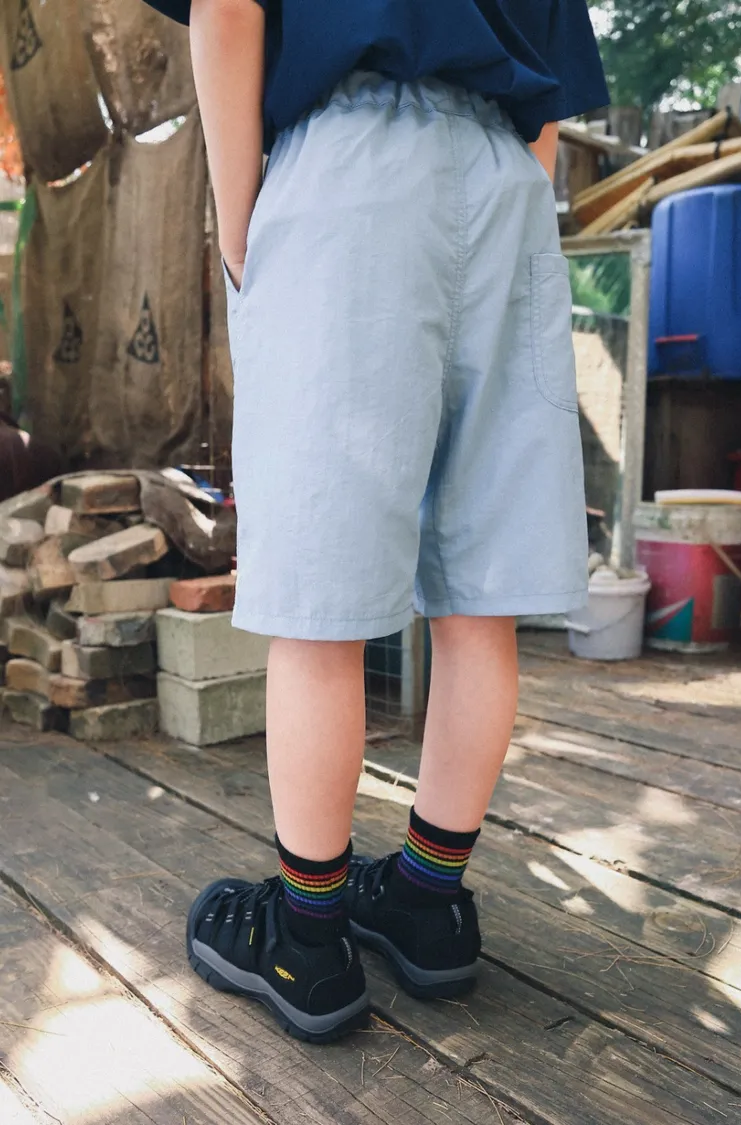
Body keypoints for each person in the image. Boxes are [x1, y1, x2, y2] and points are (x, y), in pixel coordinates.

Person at [144, 0, 608, 1042]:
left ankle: (307, 938)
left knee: (321, 600)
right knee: (480, 595)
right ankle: (428, 901)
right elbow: (550, 104)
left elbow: (228, 8)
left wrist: (240, 224)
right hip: (506, 182)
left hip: (349, 164)